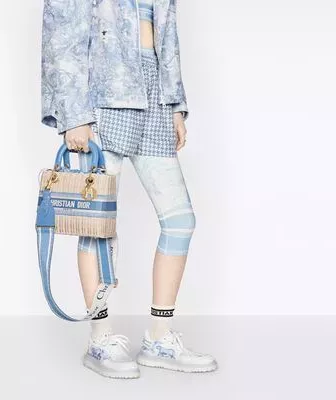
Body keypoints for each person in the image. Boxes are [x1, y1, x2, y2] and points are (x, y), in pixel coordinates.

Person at [41, 0, 218, 378]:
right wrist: (73, 116)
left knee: (180, 221)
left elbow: (166, 34)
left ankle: (159, 339)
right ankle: (100, 339)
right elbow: (61, 34)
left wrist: (175, 105)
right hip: (104, 100)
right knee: (98, 225)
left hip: (155, 100)